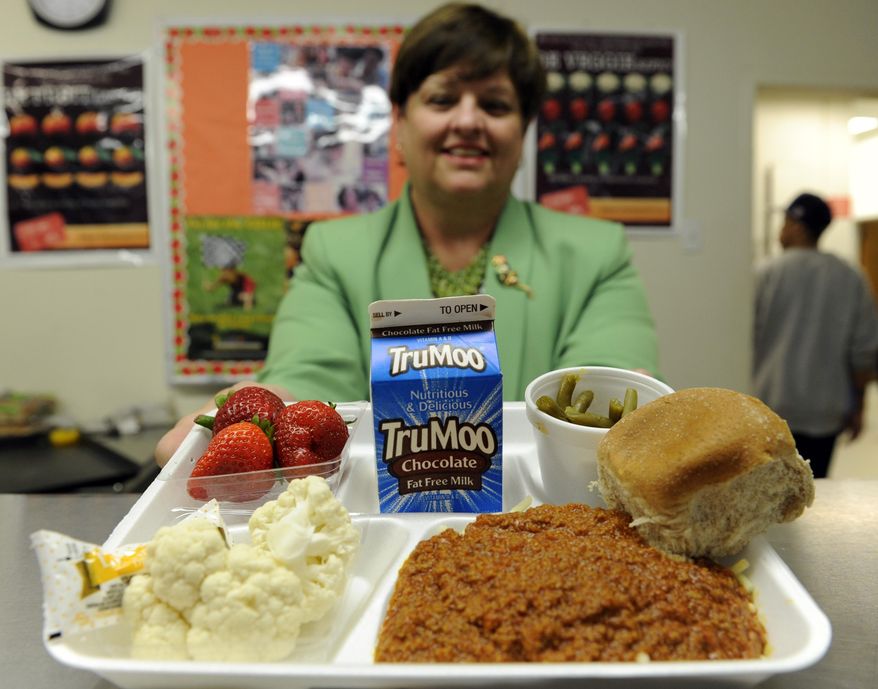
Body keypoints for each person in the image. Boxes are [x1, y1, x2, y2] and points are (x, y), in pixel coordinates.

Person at [156, 2, 660, 466]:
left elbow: (605, 398)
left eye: (496, 105)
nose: (468, 121)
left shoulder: (597, 253)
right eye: (442, 99)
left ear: (523, 131)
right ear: (399, 124)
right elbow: (311, 379)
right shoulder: (335, 251)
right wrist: (266, 415)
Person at [753, 192, 878, 478]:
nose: (781, 230)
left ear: (797, 225)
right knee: (813, 486)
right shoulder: (849, 275)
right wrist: (859, 407)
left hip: (771, 406)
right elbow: (864, 349)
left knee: (769, 493)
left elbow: (742, 341)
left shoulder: (766, 273)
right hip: (825, 410)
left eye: (785, 222)